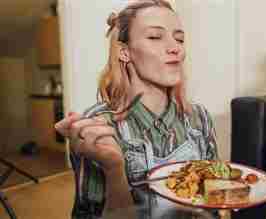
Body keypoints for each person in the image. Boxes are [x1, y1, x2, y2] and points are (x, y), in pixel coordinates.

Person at [54, 1, 219, 218]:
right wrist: (115, 170)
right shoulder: (98, 126)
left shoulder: (200, 118)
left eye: (179, 38)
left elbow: (215, 201)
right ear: (125, 52)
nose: (176, 48)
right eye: (154, 37)